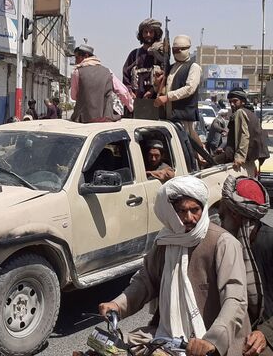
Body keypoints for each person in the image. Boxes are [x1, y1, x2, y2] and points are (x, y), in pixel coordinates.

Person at [98, 176, 250, 356]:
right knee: (109, 349)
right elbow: (146, 281)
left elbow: (235, 299)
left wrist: (212, 339)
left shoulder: (223, 243)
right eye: (181, 211)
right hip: (169, 335)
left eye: (195, 210)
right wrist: (117, 304)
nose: (189, 218)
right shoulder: (165, 241)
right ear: (171, 212)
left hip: (210, 341)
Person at [219, 176, 273, 356]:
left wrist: (265, 333)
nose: (220, 223)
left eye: (222, 216)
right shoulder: (224, 244)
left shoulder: (269, 242)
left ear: (235, 215)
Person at [153, 35, 202, 145]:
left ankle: (202, 159)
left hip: (183, 116)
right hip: (169, 116)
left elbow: (189, 89)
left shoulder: (193, 67)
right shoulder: (171, 67)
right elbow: (163, 89)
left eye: (180, 49)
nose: (177, 52)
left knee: (189, 146)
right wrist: (157, 83)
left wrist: (167, 97)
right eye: (174, 50)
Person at [214, 89, 268, 177]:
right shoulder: (251, 113)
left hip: (236, 160)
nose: (232, 104)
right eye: (230, 101)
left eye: (235, 101)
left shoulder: (240, 112)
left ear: (243, 102)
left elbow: (244, 135)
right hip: (249, 162)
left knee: (208, 163)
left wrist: (239, 157)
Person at [70, 44, 127, 123]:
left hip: (83, 119)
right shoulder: (108, 71)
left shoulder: (76, 72)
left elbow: (73, 97)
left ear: (85, 56)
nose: (75, 61)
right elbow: (123, 92)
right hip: (106, 119)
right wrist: (131, 107)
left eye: (77, 57)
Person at [122, 18, 168, 99]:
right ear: (141, 34)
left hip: (155, 101)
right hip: (135, 100)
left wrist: (152, 90)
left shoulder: (160, 56)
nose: (148, 35)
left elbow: (165, 75)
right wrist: (130, 92)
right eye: (145, 32)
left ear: (156, 34)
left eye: (151, 32)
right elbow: (126, 75)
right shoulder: (134, 54)